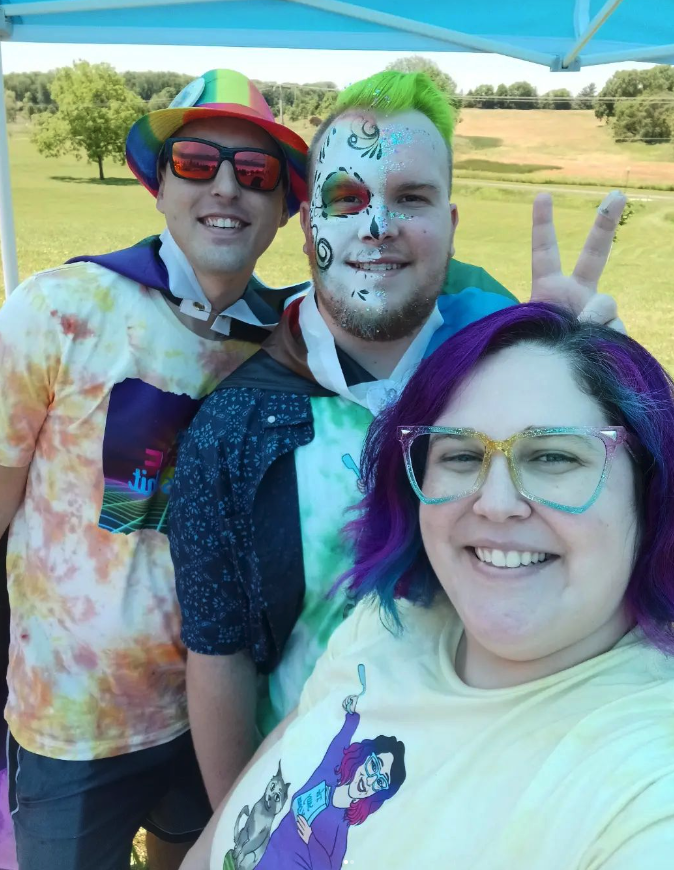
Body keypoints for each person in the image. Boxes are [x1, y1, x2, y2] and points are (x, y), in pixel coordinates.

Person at [169, 70, 626, 809]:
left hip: (496, 791)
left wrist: (585, 378)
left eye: (410, 198)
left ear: (451, 220)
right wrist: (235, 831)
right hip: (309, 804)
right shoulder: (234, 426)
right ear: (309, 224)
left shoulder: (502, 385)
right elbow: (218, 654)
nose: (377, 225)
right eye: (347, 199)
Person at [183, 301, 674, 870]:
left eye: (553, 455)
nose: (496, 503)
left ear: (649, 490)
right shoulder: (383, 626)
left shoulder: (641, 785)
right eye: (461, 454)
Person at [0, 68, 309, 870]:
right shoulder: (59, 309)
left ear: (285, 209)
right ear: (160, 184)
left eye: (257, 172)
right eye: (198, 163)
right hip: (74, 722)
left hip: (223, 709)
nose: (227, 187)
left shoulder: (292, 347)